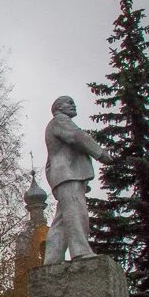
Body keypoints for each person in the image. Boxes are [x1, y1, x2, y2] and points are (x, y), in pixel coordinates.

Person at [43, 95, 114, 264]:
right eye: (69, 102)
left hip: (63, 176)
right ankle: (80, 252)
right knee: (76, 212)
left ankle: (52, 260)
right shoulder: (60, 121)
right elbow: (77, 137)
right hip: (67, 174)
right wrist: (100, 153)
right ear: (58, 108)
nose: (73, 105)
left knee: (62, 220)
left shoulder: (57, 123)